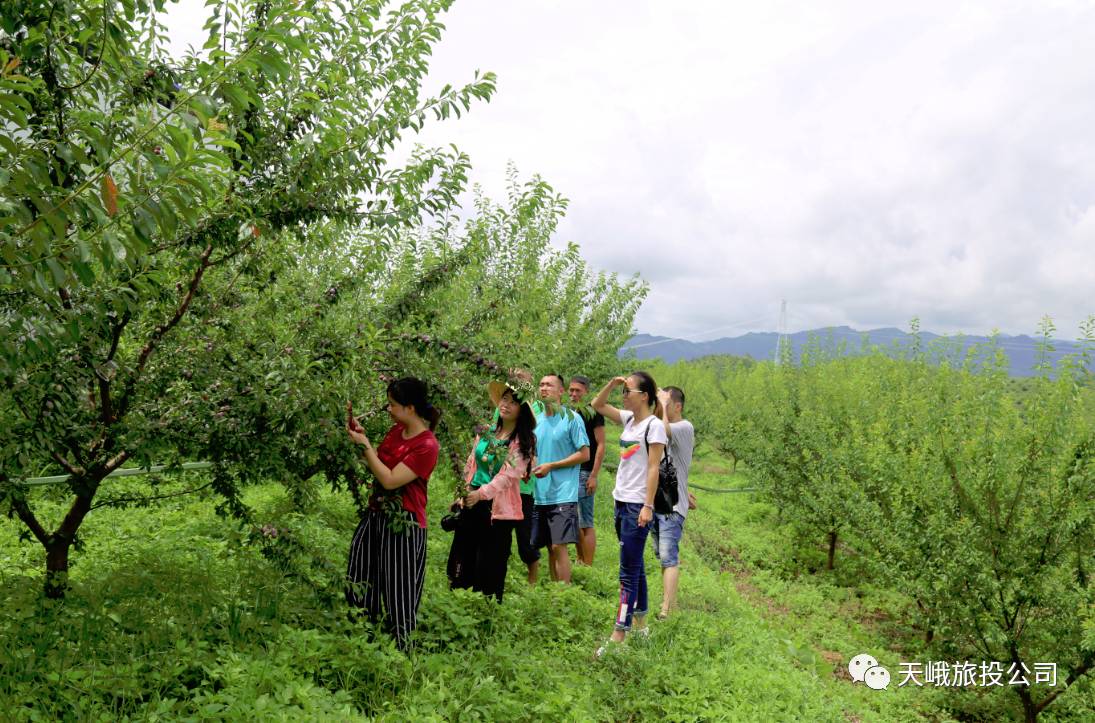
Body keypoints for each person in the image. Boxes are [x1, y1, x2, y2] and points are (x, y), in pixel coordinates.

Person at [345, 377, 440, 649]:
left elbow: (389, 479)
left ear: (410, 408)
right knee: (359, 573)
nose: (389, 409)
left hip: (404, 523)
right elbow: (378, 465)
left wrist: (365, 445)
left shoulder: (427, 445)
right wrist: (363, 443)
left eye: (393, 405)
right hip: (377, 513)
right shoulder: (396, 431)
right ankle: (364, 637)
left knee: (399, 588)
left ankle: (402, 649)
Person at [590, 371, 666, 656]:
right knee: (634, 566)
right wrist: (611, 383)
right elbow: (597, 404)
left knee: (627, 572)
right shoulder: (629, 419)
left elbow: (653, 468)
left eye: (628, 391)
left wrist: (647, 505)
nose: (624, 395)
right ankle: (642, 624)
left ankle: (619, 635)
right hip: (620, 500)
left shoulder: (654, 426)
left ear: (644, 396)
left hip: (638, 505)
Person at [448, 382, 537, 602]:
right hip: (473, 499)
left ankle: (486, 607)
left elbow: (507, 477)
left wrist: (481, 494)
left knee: (490, 560)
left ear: (522, 410)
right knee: (464, 552)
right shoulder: (487, 432)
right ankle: (460, 600)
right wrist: (465, 491)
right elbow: (472, 463)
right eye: (505, 399)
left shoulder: (522, 441)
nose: (507, 405)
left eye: (514, 402)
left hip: (498, 510)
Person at [530, 374, 589, 583]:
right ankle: (555, 594)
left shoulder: (571, 418)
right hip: (541, 493)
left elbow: (584, 453)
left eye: (549, 385)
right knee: (549, 547)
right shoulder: (536, 420)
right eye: (541, 384)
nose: (544, 388)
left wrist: (552, 466)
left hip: (564, 493)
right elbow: (534, 452)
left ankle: (564, 592)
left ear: (561, 391)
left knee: (558, 545)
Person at [652, 386, 695, 620]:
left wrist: (662, 403)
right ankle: (672, 604)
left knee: (669, 557)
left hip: (672, 506)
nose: (661, 406)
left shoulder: (684, 427)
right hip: (660, 501)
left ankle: (665, 611)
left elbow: (664, 428)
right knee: (664, 557)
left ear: (677, 406)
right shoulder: (663, 426)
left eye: (667, 402)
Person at [568, 375, 605, 565]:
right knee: (573, 517)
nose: (574, 394)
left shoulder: (592, 411)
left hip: (585, 472)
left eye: (578, 391)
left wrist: (594, 475)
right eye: (571, 390)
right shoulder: (567, 412)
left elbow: (601, 444)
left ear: (586, 392)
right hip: (570, 471)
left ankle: (587, 563)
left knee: (585, 521)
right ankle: (579, 559)